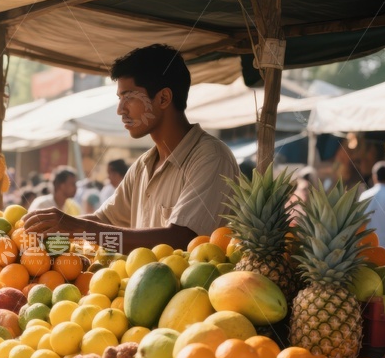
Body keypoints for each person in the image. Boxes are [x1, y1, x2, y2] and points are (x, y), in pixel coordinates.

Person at [24, 44, 239, 251]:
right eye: (119, 98)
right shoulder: (142, 166)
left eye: (128, 97)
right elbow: (103, 221)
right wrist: (51, 232)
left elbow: (183, 238)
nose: (120, 110)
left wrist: (78, 227)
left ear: (163, 98)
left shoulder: (211, 157)